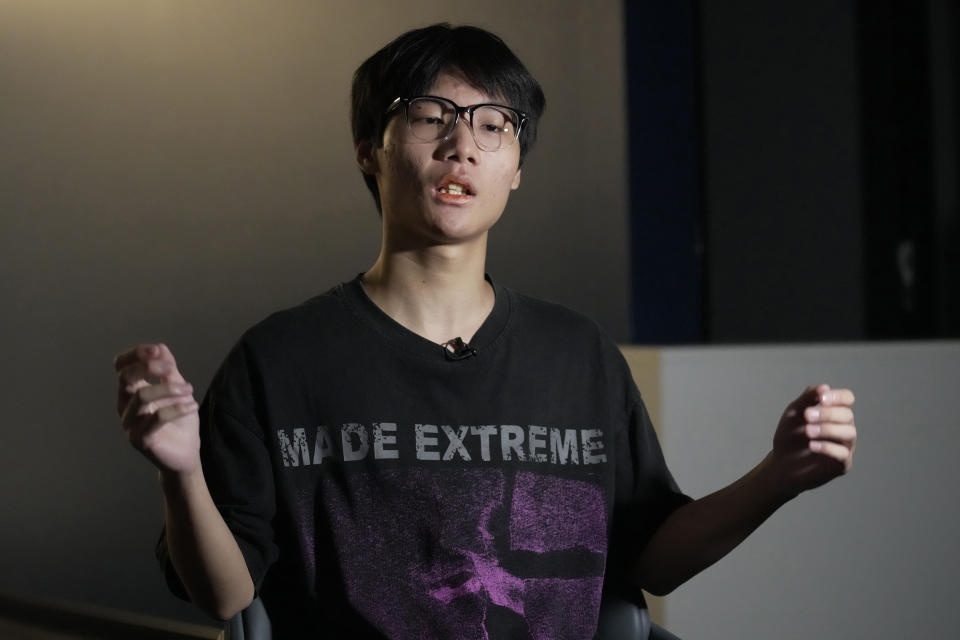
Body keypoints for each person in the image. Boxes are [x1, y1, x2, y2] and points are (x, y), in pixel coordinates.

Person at [113, 23, 857, 639]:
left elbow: (650, 560)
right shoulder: (281, 360)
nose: (460, 145)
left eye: (492, 124)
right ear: (370, 150)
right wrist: (179, 471)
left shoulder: (578, 355)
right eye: (430, 116)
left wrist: (778, 477)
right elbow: (223, 594)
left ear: (516, 168)